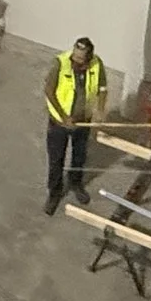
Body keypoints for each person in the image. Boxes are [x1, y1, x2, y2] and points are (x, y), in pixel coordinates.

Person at [43, 37, 106, 214]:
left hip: (83, 121)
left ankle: (75, 182)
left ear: (89, 58)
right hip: (59, 123)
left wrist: (100, 110)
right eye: (74, 55)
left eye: (80, 58)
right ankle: (54, 192)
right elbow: (49, 90)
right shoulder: (60, 63)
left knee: (79, 156)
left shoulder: (97, 64)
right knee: (56, 159)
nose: (75, 60)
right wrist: (64, 117)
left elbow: (102, 88)